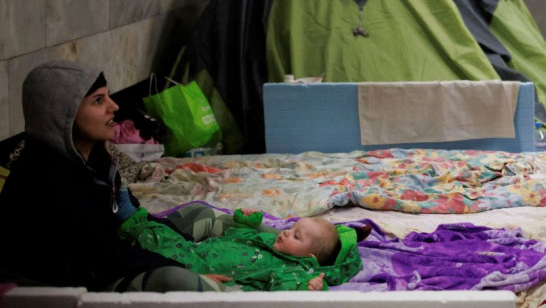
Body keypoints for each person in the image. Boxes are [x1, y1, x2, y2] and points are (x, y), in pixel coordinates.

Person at [0, 60, 223, 292]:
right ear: (62, 115)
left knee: (200, 215)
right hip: (64, 285)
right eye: (98, 100)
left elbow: (134, 218)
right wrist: (188, 269)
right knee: (178, 281)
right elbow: (104, 253)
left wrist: (188, 246)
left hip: (104, 259)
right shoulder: (46, 175)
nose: (114, 106)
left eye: (108, 96)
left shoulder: (96, 157)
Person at [119, 203, 362, 291]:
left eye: (296, 237)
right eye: (291, 228)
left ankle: (128, 222)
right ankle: (133, 221)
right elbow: (240, 235)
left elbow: (285, 291)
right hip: (201, 249)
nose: (286, 232)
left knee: (162, 245)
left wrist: (309, 289)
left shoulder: (293, 271)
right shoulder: (270, 241)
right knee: (170, 235)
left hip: (203, 268)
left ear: (309, 257)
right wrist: (246, 221)